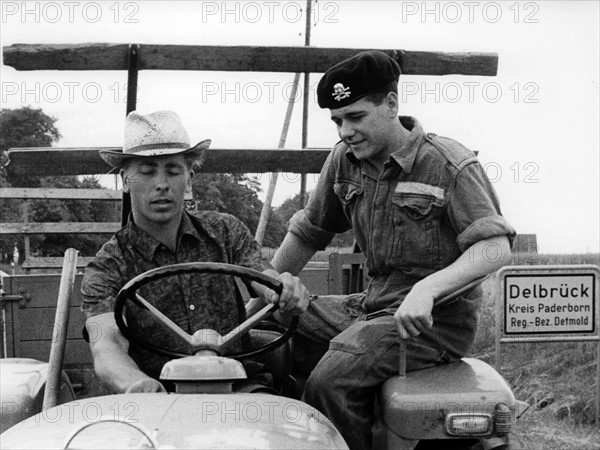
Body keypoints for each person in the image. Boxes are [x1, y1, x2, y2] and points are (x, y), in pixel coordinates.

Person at [271, 51, 517, 449]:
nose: (345, 131)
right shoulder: (344, 161)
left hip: (433, 322)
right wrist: (267, 287)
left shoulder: (447, 164)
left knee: (332, 379)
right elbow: (308, 232)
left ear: (390, 104)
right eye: (337, 121)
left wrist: (428, 290)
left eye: (355, 117)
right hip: (372, 304)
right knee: (272, 329)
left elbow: (494, 247)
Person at [81, 110, 309, 394]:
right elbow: (106, 346)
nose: (161, 184)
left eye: (173, 171)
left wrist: (283, 288)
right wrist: (135, 383)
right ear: (125, 181)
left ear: (188, 180)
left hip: (241, 388)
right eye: (147, 171)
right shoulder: (107, 266)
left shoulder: (225, 231)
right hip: (160, 398)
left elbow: (264, 280)